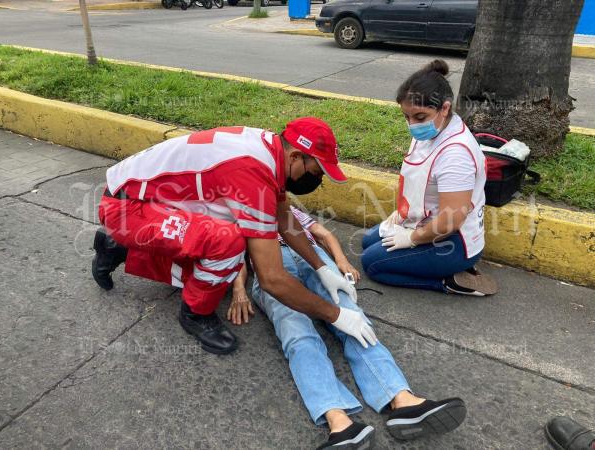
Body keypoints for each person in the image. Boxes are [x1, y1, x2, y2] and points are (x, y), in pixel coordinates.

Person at [92, 118, 377, 355]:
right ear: (295, 156)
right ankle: (195, 314)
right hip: (127, 210)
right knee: (228, 244)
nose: (318, 181)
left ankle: (118, 248)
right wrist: (336, 315)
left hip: (149, 200)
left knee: (214, 257)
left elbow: (283, 217)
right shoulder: (251, 170)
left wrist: (322, 267)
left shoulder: (267, 149)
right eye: (316, 172)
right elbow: (272, 279)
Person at [228, 206, 468, 449]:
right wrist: (239, 290)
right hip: (273, 272)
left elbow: (322, 234)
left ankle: (402, 399)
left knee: (355, 321)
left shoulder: (285, 208)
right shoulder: (241, 215)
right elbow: (238, 259)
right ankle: (339, 422)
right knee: (297, 334)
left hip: (315, 259)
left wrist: (341, 263)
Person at [361, 59, 497, 297]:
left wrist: (412, 238)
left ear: (444, 108)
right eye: (407, 117)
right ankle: (428, 262)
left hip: (454, 241)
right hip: (424, 222)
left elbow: (450, 222)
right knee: (368, 241)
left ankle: (450, 281)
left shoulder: (456, 154)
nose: (412, 125)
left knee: (372, 264)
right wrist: (402, 214)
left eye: (419, 117)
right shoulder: (431, 130)